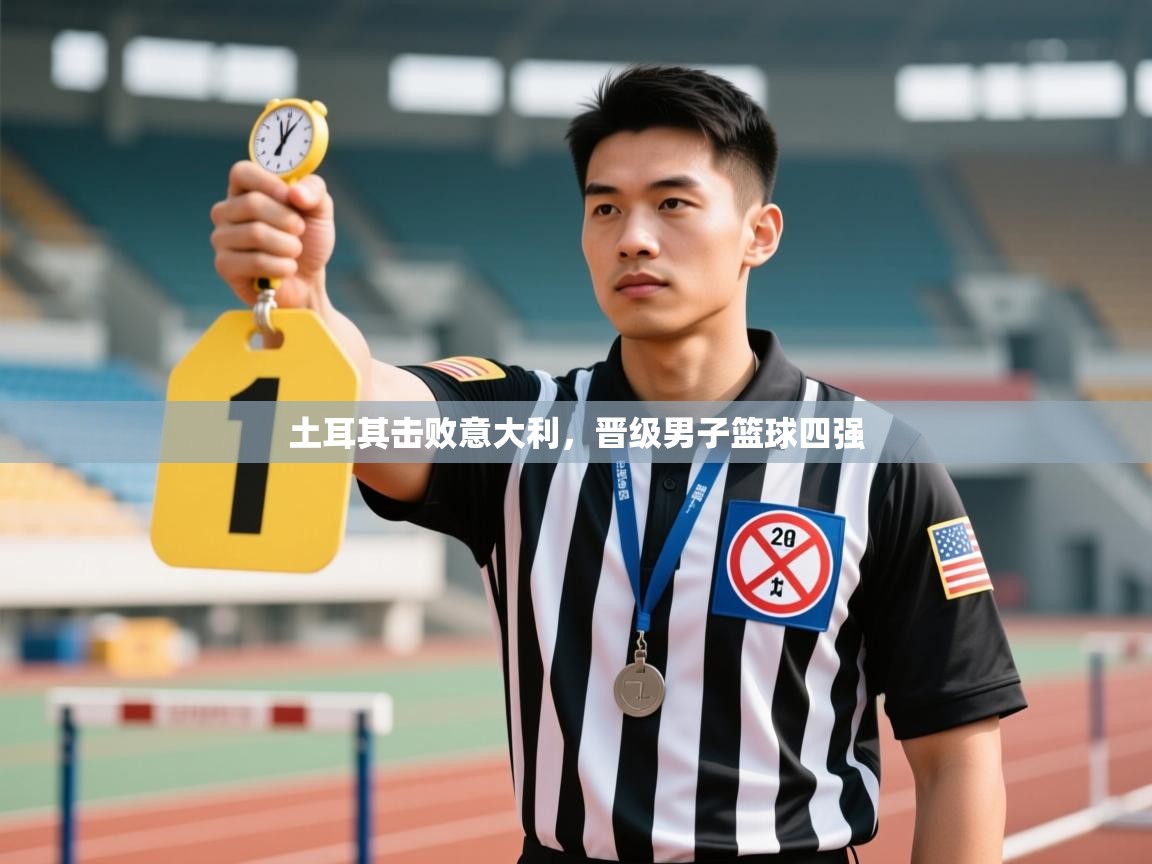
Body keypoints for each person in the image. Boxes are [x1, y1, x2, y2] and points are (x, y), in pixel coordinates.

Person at [211, 66, 1026, 864]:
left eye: (673, 203)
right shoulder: (521, 428)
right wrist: (307, 300)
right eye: (605, 208)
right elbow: (366, 410)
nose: (633, 237)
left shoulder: (879, 462)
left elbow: (958, 758)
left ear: (759, 234)